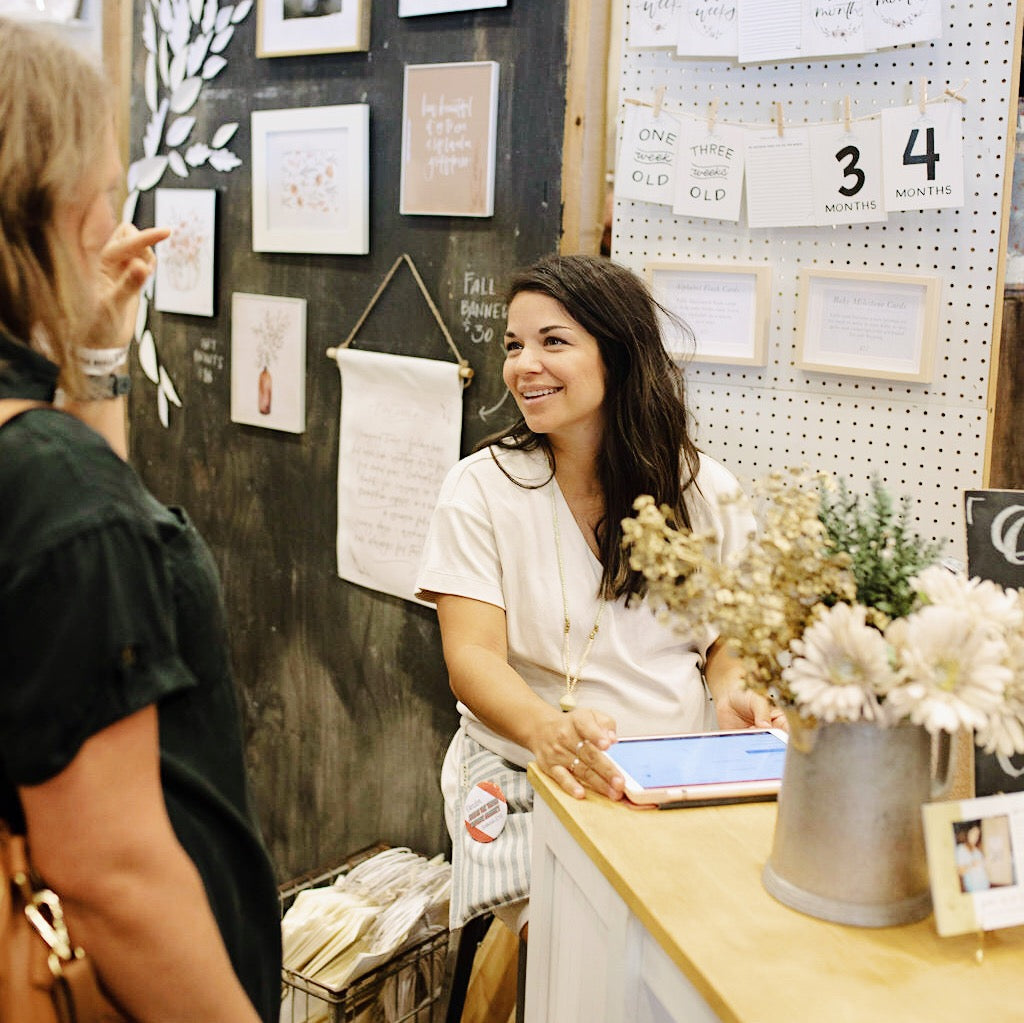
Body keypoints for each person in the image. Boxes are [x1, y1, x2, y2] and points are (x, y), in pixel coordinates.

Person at [0, 18, 281, 1022]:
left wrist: (100, 359)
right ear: (58, 202)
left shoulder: (44, 463)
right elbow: (111, 873)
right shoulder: (46, 478)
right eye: (108, 190)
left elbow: (69, 627)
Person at [416, 253, 783, 939]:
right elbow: (471, 658)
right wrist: (547, 730)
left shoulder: (704, 489)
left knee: (710, 943)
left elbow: (729, 637)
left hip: (677, 778)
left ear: (618, 353)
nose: (525, 364)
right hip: (529, 770)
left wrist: (735, 688)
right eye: (513, 345)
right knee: (585, 948)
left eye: (553, 341)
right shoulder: (482, 488)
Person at [954, 821, 991, 894]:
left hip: (985, 885)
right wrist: (972, 864)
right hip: (973, 888)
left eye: (977, 835)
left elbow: (982, 868)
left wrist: (985, 863)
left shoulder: (977, 851)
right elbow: (960, 872)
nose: (975, 837)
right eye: (973, 833)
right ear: (967, 833)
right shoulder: (960, 849)